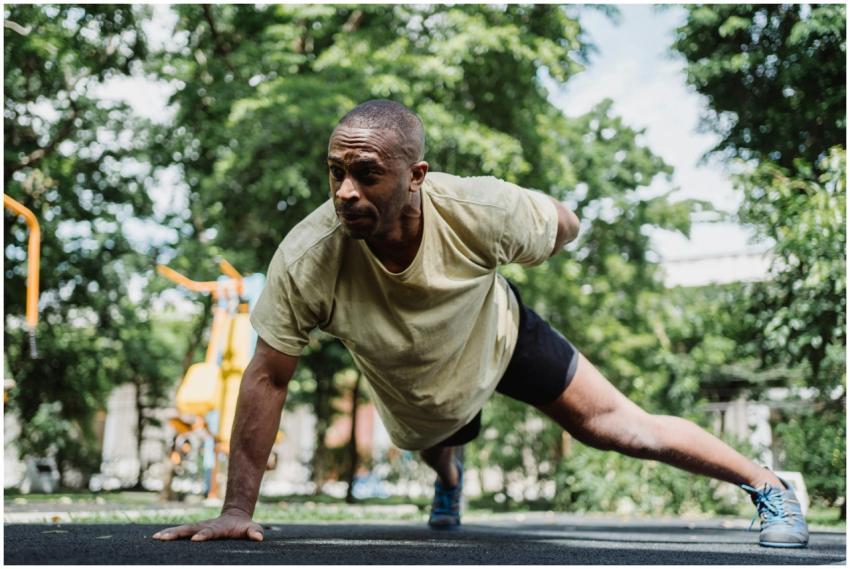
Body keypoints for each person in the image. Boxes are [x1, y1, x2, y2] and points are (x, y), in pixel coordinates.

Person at [152, 100, 809, 548]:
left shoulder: (478, 209)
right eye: (336, 171)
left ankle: (768, 484)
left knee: (616, 426)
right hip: (415, 383)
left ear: (416, 178)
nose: (345, 190)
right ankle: (451, 479)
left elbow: (563, 221)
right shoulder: (309, 254)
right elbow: (267, 375)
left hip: (497, 333)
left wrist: (551, 230)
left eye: (366, 174)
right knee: (438, 443)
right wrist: (238, 508)